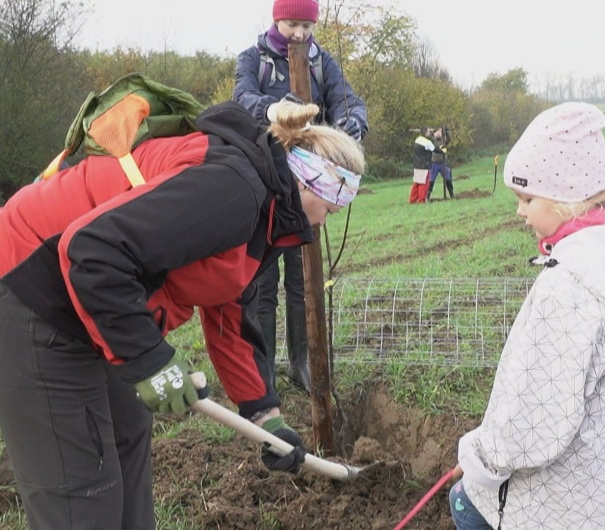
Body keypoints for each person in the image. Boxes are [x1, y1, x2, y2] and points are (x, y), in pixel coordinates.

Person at [0, 97, 365, 530]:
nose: (324, 222)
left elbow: (230, 313)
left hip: (99, 306)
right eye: (333, 207)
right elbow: (90, 252)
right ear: (310, 183)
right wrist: (150, 359)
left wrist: (267, 418)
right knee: (83, 491)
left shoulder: (267, 212)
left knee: (126, 444)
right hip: (34, 292)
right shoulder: (233, 189)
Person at [448, 102, 605, 529]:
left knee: (465, 505)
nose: (520, 211)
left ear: (566, 199)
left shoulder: (568, 290)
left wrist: (476, 460)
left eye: (527, 197)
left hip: (563, 507)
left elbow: (532, 422)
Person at [232, 0, 368, 393]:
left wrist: (349, 125)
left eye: (307, 26)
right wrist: (274, 108)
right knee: (261, 281)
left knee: (303, 279)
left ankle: (301, 362)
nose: (300, 34)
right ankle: (265, 369)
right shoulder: (253, 59)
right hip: (263, 186)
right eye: (292, 24)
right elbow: (242, 100)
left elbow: (349, 102)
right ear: (277, 19)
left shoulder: (321, 62)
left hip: (306, 190)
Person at [409, 126, 434, 204]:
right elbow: (434, 148)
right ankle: (421, 200)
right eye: (428, 131)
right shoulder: (427, 142)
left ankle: (412, 200)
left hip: (417, 164)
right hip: (424, 165)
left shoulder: (417, 139)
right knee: (424, 183)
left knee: (416, 183)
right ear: (426, 133)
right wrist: (433, 137)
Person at [427, 127, 453, 201]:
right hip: (434, 164)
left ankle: (452, 195)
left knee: (448, 179)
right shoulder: (432, 141)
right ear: (434, 134)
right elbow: (428, 136)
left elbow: (449, 139)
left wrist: (447, 131)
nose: (438, 133)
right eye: (437, 132)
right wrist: (430, 132)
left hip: (443, 163)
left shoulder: (444, 141)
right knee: (431, 180)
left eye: (440, 132)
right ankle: (427, 197)